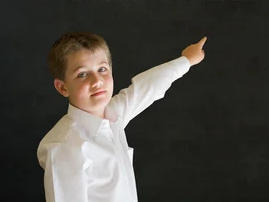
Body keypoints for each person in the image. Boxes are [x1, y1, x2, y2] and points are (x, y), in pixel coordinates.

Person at [37, 32, 206, 202]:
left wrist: (186, 61)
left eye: (102, 69)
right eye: (82, 74)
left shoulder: (112, 115)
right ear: (62, 87)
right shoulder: (65, 146)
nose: (97, 81)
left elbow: (146, 89)